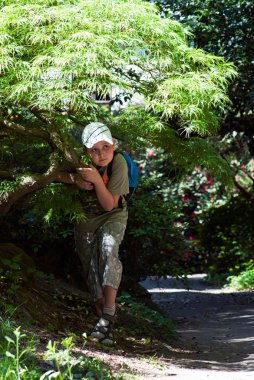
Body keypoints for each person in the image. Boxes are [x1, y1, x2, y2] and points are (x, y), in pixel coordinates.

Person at [57, 122, 129, 344]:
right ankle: (105, 326)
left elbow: (109, 205)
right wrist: (74, 179)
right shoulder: (77, 161)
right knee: (91, 268)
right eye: (95, 150)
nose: (101, 154)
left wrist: (97, 180)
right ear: (86, 151)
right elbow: (55, 174)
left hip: (113, 215)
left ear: (113, 145)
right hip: (85, 219)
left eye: (106, 147)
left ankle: (108, 314)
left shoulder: (118, 163)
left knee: (109, 250)